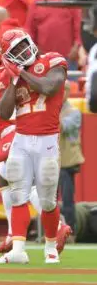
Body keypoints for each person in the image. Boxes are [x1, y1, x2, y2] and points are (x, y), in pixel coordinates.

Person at [0, 43, 71, 257]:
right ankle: (15, 236)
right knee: (10, 182)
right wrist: (10, 80)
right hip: (20, 133)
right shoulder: (0, 77)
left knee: (23, 184)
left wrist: (16, 75)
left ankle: (54, 230)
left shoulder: (45, 63)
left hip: (23, 132)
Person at [25, 0, 81, 78]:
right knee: (45, 90)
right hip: (44, 59)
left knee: (70, 89)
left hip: (67, 58)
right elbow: (29, 30)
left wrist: (76, 47)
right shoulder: (37, 2)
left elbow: (78, 27)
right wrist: (34, 49)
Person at [59, 81, 84, 240]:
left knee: (67, 199)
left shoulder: (74, 112)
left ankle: (70, 234)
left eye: (64, 90)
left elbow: (61, 127)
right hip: (52, 160)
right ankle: (50, 232)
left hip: (67, 161)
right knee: (48, 200)